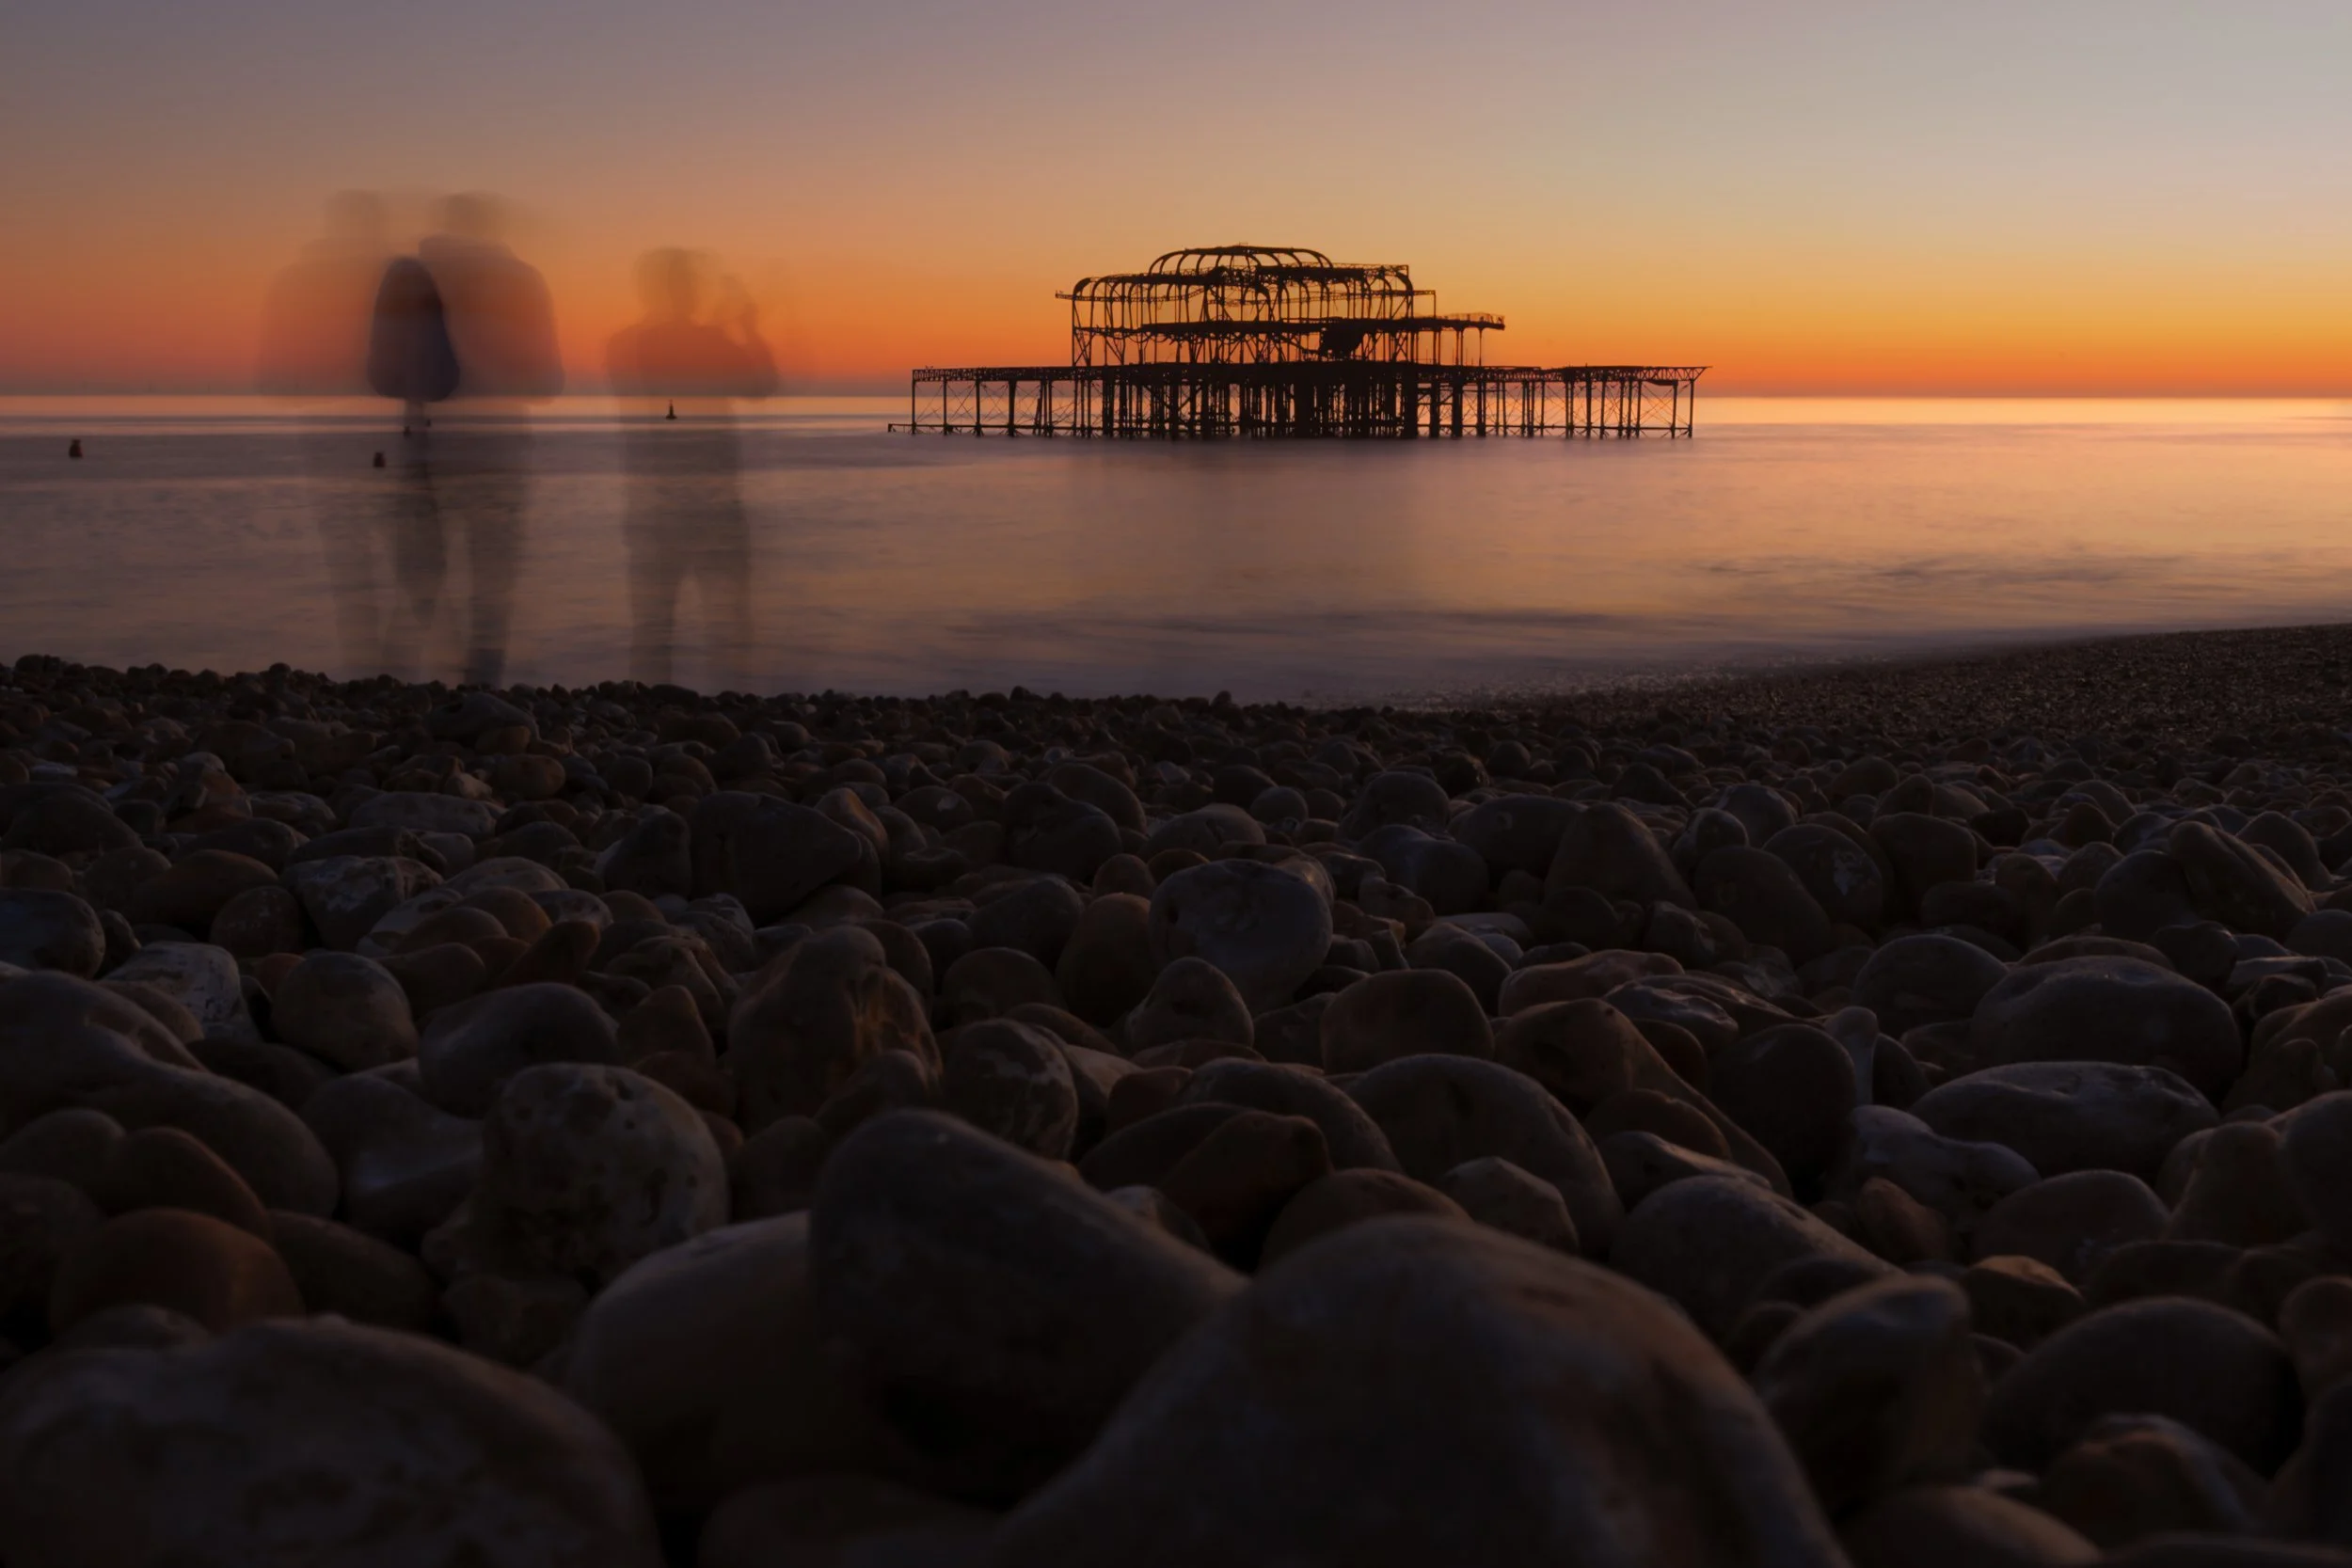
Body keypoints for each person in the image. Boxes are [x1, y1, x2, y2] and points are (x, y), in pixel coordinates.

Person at [605, 247, 778, 688]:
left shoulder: (625, 344)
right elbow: (763, 385)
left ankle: (646, 721)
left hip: (651, 502)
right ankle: (731, 714)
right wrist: (746, 330)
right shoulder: (708, 342)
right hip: (713, 503)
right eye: (689, 285)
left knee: (653, 626)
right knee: (729, 622)